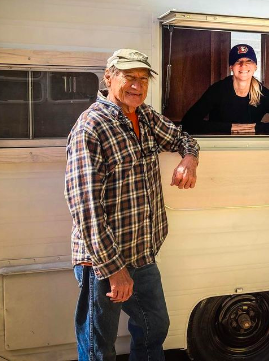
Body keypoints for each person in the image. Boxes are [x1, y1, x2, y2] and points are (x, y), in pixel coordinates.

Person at [65, 49, 200, 360]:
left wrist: (189, 160)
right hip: (102, 263)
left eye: (143, 79)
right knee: (100, 346)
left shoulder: (145, 117)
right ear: (109, 77)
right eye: (129, 77)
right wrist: (114, 270)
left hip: (142, 253)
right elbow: (85, 209)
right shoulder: (91, 126)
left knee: (155, 327)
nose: (138, 85)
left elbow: (183, 138)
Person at [181, 44, 269, 134]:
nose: (243, 65)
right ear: (231, 67)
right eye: (238, 61)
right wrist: (231, 128)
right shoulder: (218, 90)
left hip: (251, 149)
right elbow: (188, 123)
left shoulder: (262, 93)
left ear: (255, 67)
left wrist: (255, 128)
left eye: (249, 61)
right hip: (218, 148)